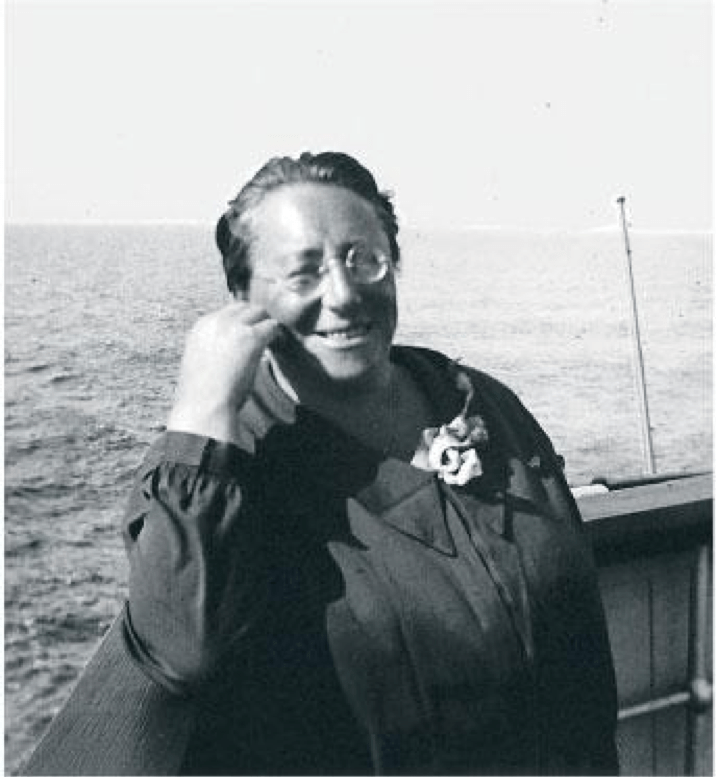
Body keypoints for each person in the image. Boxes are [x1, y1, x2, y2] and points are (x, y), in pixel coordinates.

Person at [25, 151, 619, 776]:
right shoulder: (232, 466)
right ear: (242, 300)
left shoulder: (483, 405)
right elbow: (177, 651)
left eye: (364, 258)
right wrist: (199, 412)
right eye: (302, 273)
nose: (343, 293)